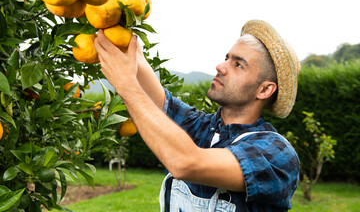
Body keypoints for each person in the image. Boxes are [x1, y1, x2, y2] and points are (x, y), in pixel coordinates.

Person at [94, 19, 301, 212]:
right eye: (226, 58)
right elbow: (153, 95)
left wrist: (125, 85)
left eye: (238, 64)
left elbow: (186, 163)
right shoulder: (202, 127)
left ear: (264, 90)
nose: (220, 67)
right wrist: (120, 24)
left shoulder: (277, 155)